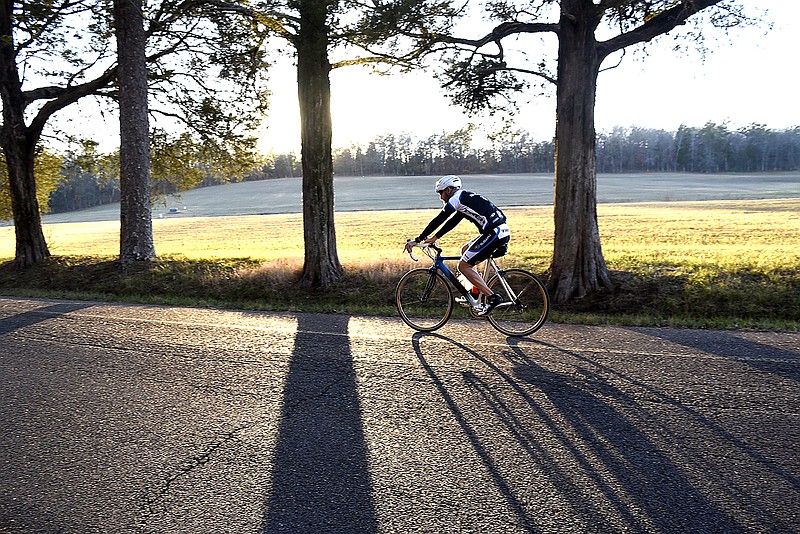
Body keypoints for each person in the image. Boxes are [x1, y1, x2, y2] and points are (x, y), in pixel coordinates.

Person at [404, 175, 510, 316]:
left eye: (440, 193)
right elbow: (452, 222)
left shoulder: (457, 199)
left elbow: (439, 219)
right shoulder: (464, 199)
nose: (441, 198)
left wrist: (418, 239)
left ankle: (492, 297)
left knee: (463, 266)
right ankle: (474, 292)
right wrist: (434, 238)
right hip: (499, 231)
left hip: (494, 233)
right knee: (465, 250)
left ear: (448, 190)